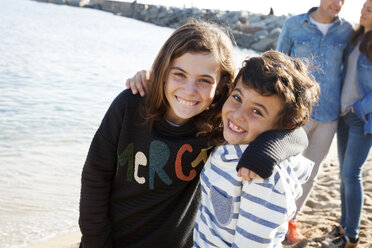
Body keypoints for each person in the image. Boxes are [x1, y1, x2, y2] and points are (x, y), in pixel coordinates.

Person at [79, 20, 307, 248]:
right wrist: (95, 241)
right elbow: (95, 176)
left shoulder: (219, 123)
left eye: (205, 80)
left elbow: (297, 135)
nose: (189, 90)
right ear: (163, 71)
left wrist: (265, 150)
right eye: (179, 74)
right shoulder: (130, 105)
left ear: (221, 86)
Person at [193, 51, 320, 247]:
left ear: (283, 127)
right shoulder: (234, 141)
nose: (237, 114)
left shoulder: (262, 178)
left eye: (256, 111)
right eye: (237, 97)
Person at [276, 0, 354, 243]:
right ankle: (276, 215)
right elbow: (278, 65)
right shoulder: (293, 25)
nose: (338, 4)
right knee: (284, 167)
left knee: (310, 172)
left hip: (329, 116)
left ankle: (291, 221)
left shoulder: (347, 31)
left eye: (343, 0)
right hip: (295, 112)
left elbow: (353, 67)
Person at [322, 1, 372, 247]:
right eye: (364, 7)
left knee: (352, 175)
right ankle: (343, 226)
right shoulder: (356, 38)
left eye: (370, 9)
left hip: (362, 119)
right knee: (344, 175)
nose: (363, 12)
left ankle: (351, 236)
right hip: (343, 115)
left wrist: (359, 107)